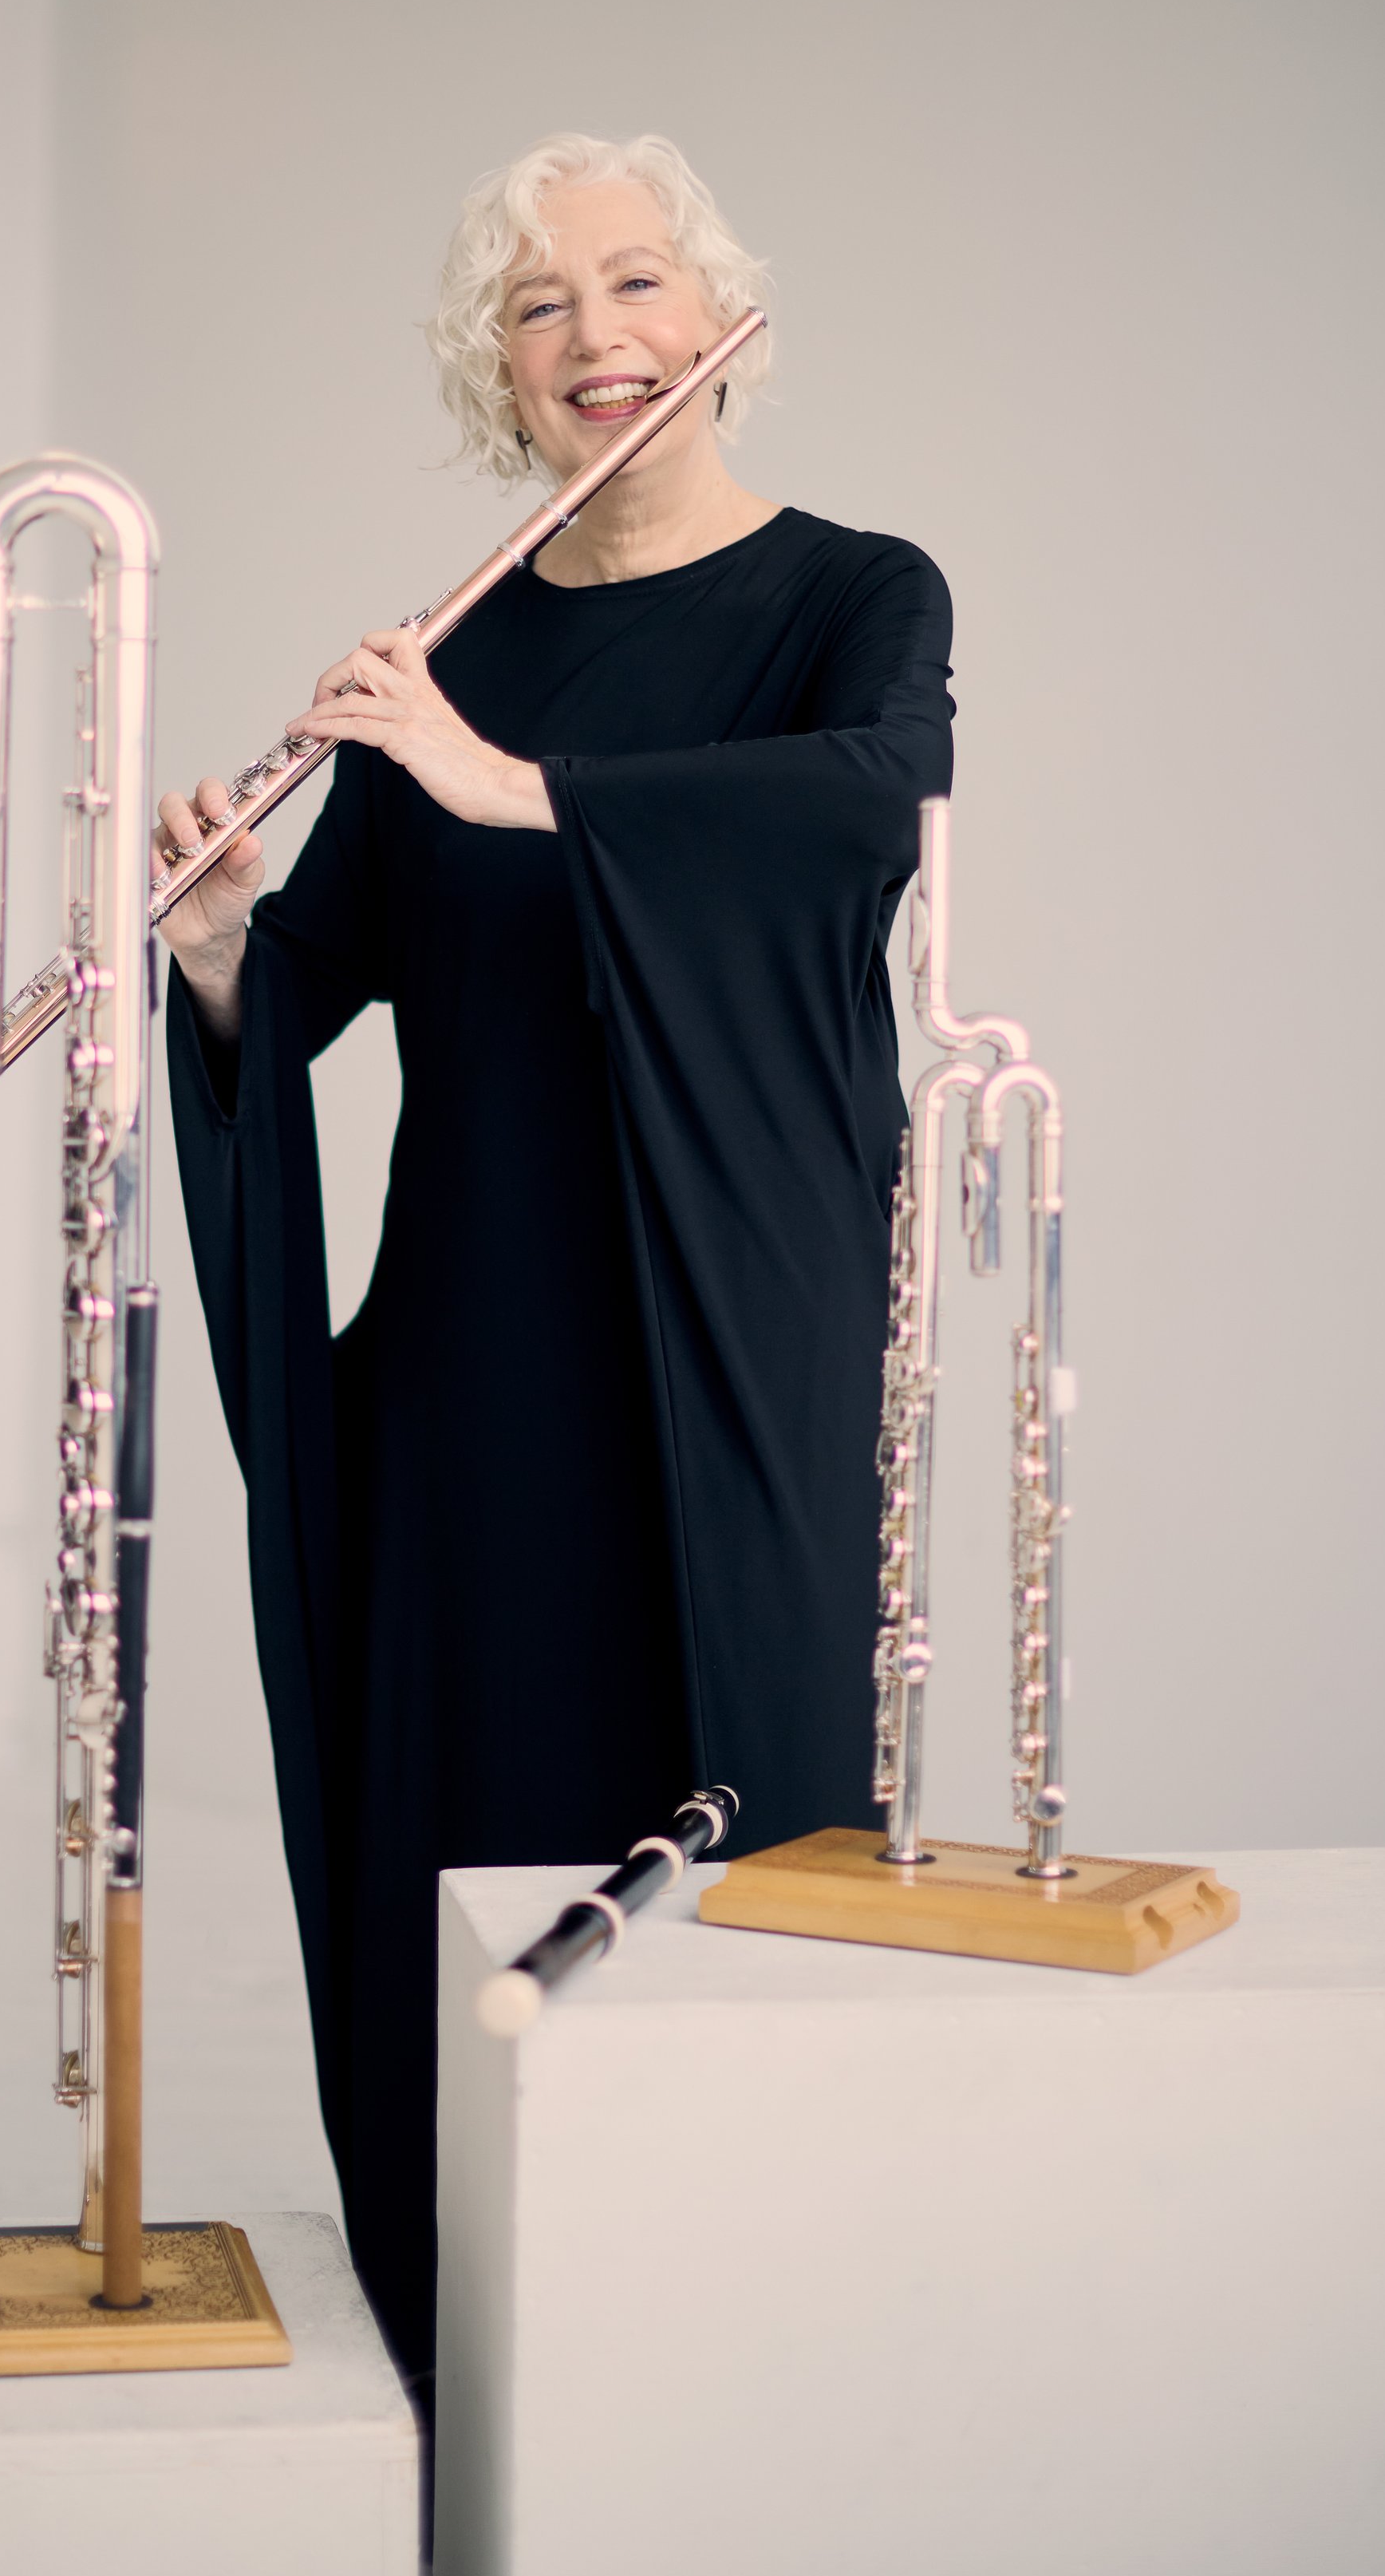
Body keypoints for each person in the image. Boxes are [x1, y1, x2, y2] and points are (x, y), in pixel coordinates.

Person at [155, 131, 954, 2395]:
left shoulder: (849, 595)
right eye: (536, 304)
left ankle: (744, 2392)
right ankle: (483, 2403)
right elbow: (319, 979)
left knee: (732, 1850)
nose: (594, 335)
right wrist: (219, 933)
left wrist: (515, 791)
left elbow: (871, 797)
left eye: (635, 283)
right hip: (478, 1371)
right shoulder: (459, 649)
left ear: (727, 325)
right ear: (489, 371)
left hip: (732, 1347)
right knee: (472, 1858)